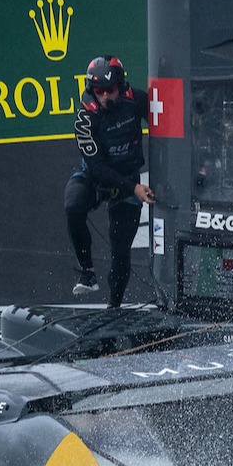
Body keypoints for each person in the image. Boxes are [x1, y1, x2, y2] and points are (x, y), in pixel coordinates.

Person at [64, 54, 155, 308]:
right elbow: (97, 167)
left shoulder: (136, 100)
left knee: (121, 249)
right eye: (99, 91)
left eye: (110, 90)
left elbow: (165, 128)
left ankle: (114, 306)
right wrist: (135, 188)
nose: (105, 96)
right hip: (97, 179)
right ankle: (87, 272)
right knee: (73, 205)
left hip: (128, 178)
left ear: (122, 85)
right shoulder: (85, 119)